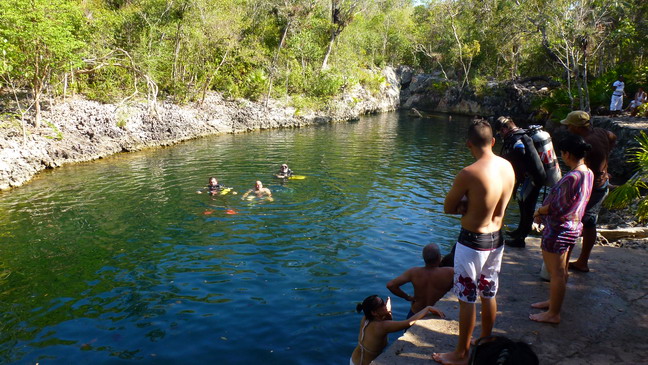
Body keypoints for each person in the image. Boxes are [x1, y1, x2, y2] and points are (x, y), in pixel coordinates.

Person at [433, 119, 515, 365]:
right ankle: (485, 342)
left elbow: (448, 207)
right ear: (492, 141)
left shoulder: (469, 173)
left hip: (472, 243)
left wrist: (468, 204)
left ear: (469, 143)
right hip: (497, 239)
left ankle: (461, 354)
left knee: (467, 299)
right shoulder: (508, 166)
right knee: (489, 293)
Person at [530, 134, 593, 324]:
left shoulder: (572, 177)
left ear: (566, 154)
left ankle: (553, 313)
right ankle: (553, 302)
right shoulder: (587, 172)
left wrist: (539, 211)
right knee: (562, 270)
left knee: (555, 273)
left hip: (560, 230)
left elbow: (557, 206)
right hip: (574, 226)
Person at [560, 111, 616, 273]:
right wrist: (605, 161)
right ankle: (576, 260)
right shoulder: (599, 132)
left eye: (569, 125)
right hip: (599, 182)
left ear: (577, 127)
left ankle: (580, 261)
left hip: (594, 187)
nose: (567, 128)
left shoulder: (586, 143)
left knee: (584, 220)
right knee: (586, 220)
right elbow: (612, 136)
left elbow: (582, 168)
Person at [496, 117, 546, 248]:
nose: (501, 134)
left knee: (527, 207)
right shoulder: (521, 134)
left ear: (505, 128)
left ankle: (521, 239)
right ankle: (519, 231)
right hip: (531, 177)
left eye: (501, 131)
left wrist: (500, 159)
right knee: (522, 203)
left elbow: (520, 150)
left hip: (534, 178)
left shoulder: (516, 138)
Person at [351, 295, 444, 365]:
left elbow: (387, 322)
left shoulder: (365, 319)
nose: (385, 306)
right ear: (374, 312)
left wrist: (387, 312)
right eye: (382, 305)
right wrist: (427, 308)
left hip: (353, 360)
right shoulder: (382, 326)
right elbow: (408, 322)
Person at [386, 243, 454, 318]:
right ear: (439, 257)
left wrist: (407, 297)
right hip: (437, 312)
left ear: (423, 258)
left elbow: (391, 285)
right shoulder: (450, 272)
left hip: (416, 312)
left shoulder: (413, 272)